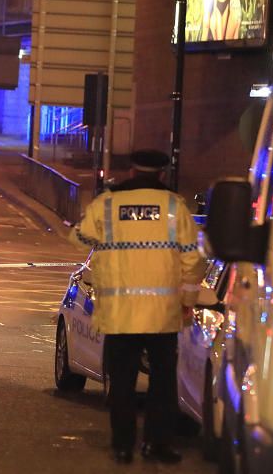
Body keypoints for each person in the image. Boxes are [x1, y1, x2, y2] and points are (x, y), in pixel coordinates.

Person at [69, 149, 204, 465]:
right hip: (162, 314)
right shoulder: (175, 208)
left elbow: (79, 238)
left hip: (120, 312)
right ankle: (157, 444)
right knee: (162, 383)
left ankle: (122, 446)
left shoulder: (108, 204)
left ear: (131, 172)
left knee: (123, 382)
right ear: (161, 175)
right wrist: (187, 301)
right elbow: (193, 259)